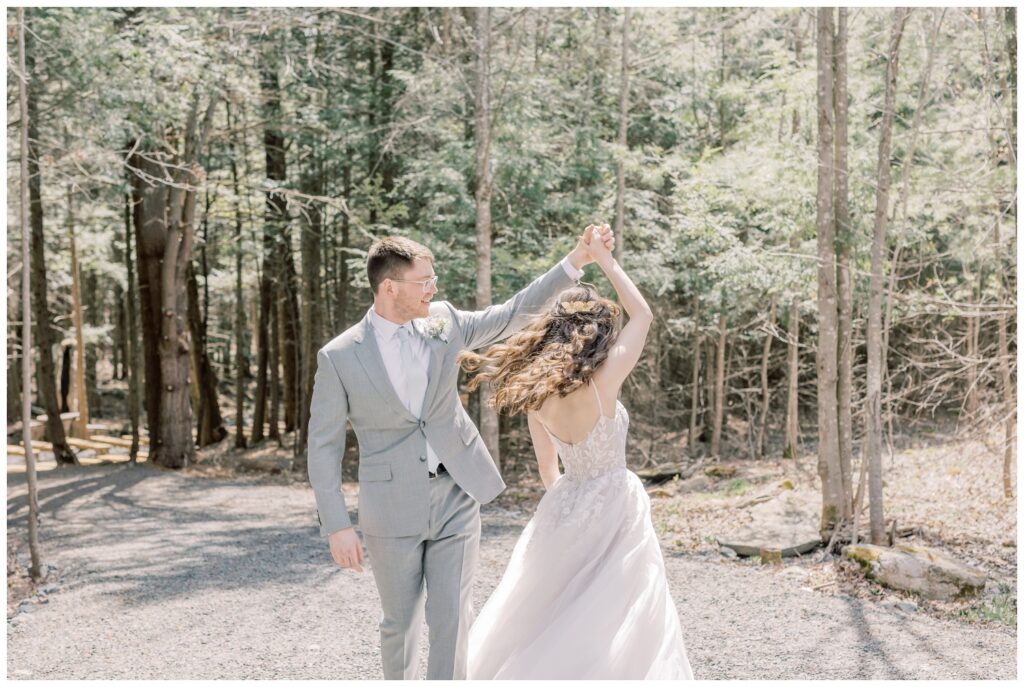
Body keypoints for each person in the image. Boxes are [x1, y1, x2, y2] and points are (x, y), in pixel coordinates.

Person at [307, 227, 615, 680]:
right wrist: (336, 525)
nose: (433, 288)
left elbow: (512, 313)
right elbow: (323, 446)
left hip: (456, 491)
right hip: (389, 506)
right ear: (389, 287)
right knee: (400, 623)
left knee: (452, 618)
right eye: (424, 281)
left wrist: (576, 260)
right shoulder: (339, 357)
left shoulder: (443, 322)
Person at [459, 224, 694, 680]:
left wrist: (569, 505)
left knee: (557, 603)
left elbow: (548, 467)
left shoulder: (538, 399)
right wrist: (605, 260)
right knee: (624, 599)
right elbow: (642, 315)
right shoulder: (603, 382)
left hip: (566, 503)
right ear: (595, 336)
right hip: (615, 500)